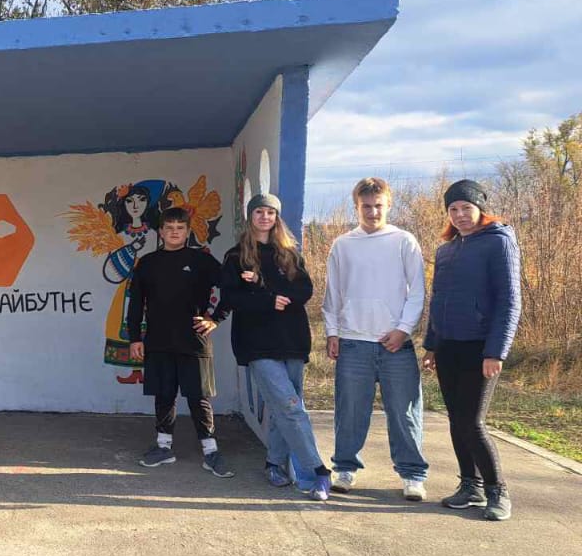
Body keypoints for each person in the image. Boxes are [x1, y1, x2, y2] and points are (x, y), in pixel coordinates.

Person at [322, 177, 429, 500]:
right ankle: (345, 468)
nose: (372, 212)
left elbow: (418, 292)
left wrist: (403, 329)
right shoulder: (343, 244)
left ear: (388, 205)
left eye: (378, 206)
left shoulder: (404, 241)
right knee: (350, 412)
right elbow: (332, 294)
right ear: (356, 206)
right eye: (366, 206)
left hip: (395, 343)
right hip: (353, 342)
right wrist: (332, 332)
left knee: (404, 413)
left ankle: (412, 475)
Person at [221, 194, 331, 500]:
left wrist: (264, 287)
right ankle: (317, 472)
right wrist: (267, 299)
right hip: (257, 344)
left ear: (277, 217)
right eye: (259, 211)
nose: (265, 217)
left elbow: (304, 290)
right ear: (250, 216)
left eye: (270, 212)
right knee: (290, 406)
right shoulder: (235, 257)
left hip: (292, 340)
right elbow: (230, 298)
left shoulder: (290, 254)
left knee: (285, 407)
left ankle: (274, 463)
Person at [422, 180, 521, 521]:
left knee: (472, 421)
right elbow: (438, 300)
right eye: (453, 209)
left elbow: (509, 301)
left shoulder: (499, 242)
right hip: (448, 346)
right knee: (456, 419)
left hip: (481, 348)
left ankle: (497, 491)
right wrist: (431, 345)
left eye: (467, 207)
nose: (460, 214)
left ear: (480, 208)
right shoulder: (446, 250)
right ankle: (470, 485)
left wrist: (496, 351)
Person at [127, 206, 234, 477]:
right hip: (158, 341)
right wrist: (134, 338)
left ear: (187, 232)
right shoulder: (147, 263)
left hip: (194, 341)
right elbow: (136, 303)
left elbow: (231, 287)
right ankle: (164, 448)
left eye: (180, 228)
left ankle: (210, 452)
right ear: (161, 232)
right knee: (164, 395)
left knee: (198, 397)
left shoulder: (202, 260)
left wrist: (216, 319)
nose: (174, 233)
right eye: (169, 228)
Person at [101, 183, 163, 383]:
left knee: (149, 324)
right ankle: (135, 371)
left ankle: (147, 369)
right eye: (130, 201)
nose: (135, 206)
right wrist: (131, 249)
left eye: (141, 200)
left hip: (148, 285)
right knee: (123, 323)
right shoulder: (119, 235)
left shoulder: (153, 234)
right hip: (127, 285)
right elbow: (113, 266)